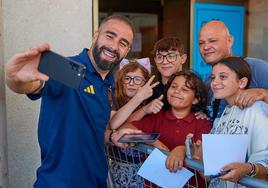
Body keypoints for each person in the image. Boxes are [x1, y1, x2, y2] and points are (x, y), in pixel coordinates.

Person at [5, 15, 143, 188]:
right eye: (110, 36)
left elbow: (92, 128)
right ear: (95, 36)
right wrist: (14, 79)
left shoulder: (108, 83)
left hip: (97, 182)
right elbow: (32, 84)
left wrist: (111, 136)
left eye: (123, 43)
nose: (114, 46)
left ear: (127, 51)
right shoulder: (69, 68)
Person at [120, 70, 212, 187]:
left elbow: (202, 155)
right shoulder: (157, 117)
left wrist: (182, 149)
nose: (177, 91)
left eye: (185, 89)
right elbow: (124, 130)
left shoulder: (203, 123)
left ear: (195, 99)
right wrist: (152, 140)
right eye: (173, 87)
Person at [193, 57, 268, 187]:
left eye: (222, 77)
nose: (214, 82)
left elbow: (265, 164)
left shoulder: (257, 109)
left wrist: (247, 169)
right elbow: (211, 177)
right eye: (213, 77)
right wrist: (199, 156)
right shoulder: (222, 116)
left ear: (242, 82)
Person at [106, 60, 162, 187]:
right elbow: (115, 124)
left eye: (137, 79)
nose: (131, 83)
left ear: (146, 83)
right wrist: (140, 100)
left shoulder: (150, 102)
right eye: (127, 78)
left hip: (145, 171)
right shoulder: (112, 98)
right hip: (118, 169)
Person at [198, 20, 268, 120]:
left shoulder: (256, 67)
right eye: (201, 43)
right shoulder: (209, 82)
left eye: (212, 41)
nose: (205, 47)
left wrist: (263, 93)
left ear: (230, 41)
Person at [148, 37, 187, 110]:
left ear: (183, 59)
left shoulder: (192, 88)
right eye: (159, 57)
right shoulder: (150, 92)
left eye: (171, 56)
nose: (164, 62)